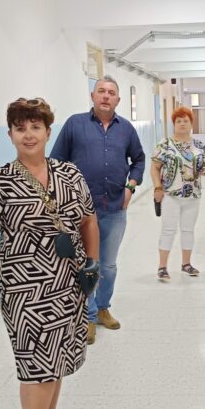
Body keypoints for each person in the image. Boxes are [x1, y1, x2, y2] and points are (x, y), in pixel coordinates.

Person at [0, 97, 100, 409]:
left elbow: (88, 220)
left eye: (35, 127)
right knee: (36, 366)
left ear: (47, 132)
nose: (28, 134)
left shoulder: (69, 173)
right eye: (20, 128)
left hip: (68, 283)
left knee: (57, 361)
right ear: (10, 134)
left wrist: (92, 264)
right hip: (24, 287)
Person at [50, 76, 145, 343]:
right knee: (87, 264)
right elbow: (56, 162)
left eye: (111, 92)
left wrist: (131, 186)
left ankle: (103, 309)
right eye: (101, 91)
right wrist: (65, 197)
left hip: (114, 208)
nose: (106, 96)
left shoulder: (126, 129)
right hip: (80, 212)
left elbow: (139, 160)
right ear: (92, 96)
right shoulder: (74, 124)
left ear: (118, 100)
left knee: (109, 266)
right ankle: (88, 316)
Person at [151, 106, 205, 281]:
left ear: (191, 123)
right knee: (168, 230)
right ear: (174, 124)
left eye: (186, 121)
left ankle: (186, 264)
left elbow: (202, 166)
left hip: (193, 195)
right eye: (178, 121)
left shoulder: (199, 145)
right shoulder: (164, 144)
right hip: (170, 195)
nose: (182, 124)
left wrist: (204, 170)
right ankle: (162, 267)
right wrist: (158, 187)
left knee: (188, 230)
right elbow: (154, 167)